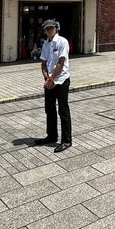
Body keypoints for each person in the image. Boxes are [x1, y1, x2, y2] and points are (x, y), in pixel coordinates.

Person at [34, 19, 72, 152]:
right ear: (44, 30)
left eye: (51, 28)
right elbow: (43, 63)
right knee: (49, 109)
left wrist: (51, 78)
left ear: (56, 28)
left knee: (63, 110)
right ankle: (51, 136)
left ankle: (66, 140)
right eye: (47, 28)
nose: (49, 30)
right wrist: (46, 78)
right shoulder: (45, 44)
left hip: (61, 80)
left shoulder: (63, 42)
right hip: (50, 81)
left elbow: (61, 64)